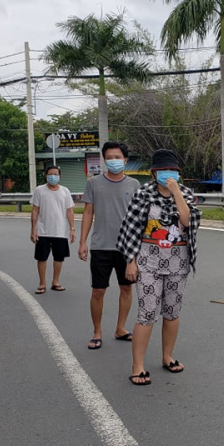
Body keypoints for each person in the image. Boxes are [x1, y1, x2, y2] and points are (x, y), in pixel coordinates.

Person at [117, 149, 201, 385]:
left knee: (172, 312)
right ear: (154, 172)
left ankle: (167, 356)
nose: (168, 174)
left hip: (178, 262)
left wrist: (176, 193)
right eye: (164, 170)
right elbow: (131, 227)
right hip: (148, 263)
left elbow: (188, 221)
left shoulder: (185, 193)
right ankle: (138, 366)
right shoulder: (143, 193)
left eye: (173, 170)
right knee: (147, 312)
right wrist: (131, 261)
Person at [78, 142, 140, 349]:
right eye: (109, 157)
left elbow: (139, 218)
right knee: (98, 290)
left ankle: (120, 328)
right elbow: (88, 213)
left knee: (126, 288)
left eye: (117, 157)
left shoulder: (134, 185)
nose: (114, 160)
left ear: (125, 160)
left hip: (127, 247)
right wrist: (82, 242)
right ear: (105, 160)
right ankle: (97, 331)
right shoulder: (94, 183)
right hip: (100, 246)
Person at [30, 165, 75, 294]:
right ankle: (42, 283)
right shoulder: (40, 190)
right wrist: (33, 229)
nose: (53, 177)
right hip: (43, 230)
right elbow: (35, 211)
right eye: (50, 174)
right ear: (46, 175)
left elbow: (70, 211)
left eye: (56, 174)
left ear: (60, 176)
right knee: (42, 257)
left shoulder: (65, 191)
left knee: (59, 258)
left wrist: (72, 229)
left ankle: (55, 282)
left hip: (60, 231)